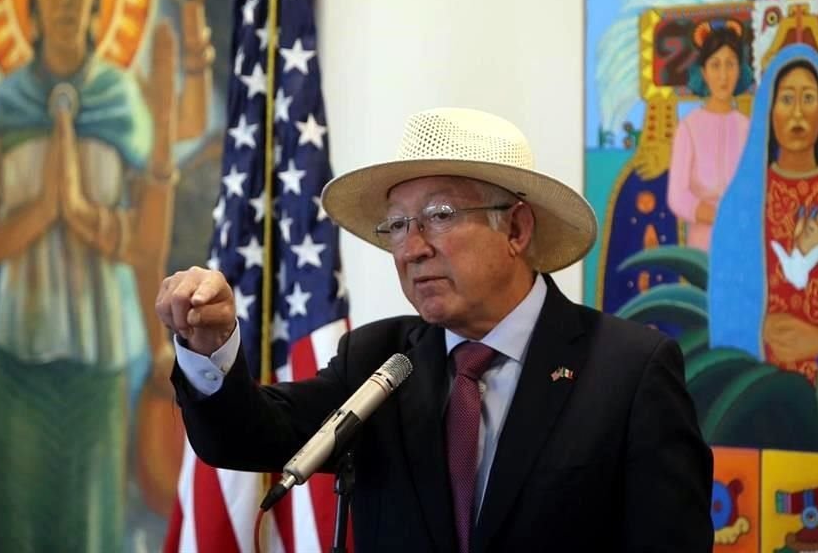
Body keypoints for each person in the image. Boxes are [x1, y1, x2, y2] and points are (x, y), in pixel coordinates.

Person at [158, 108, 714, 552]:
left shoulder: (628, 370)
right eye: (398, 225)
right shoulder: (378, 359)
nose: (412, 249)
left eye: (441, 215)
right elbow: (247, 436)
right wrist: (210, 350)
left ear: (517, 227)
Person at [0, 0, 211, 548]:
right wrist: (47, 206)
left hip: (101, 361)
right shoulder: (4, 103)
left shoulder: (123, 101)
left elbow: (148, 247)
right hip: (18, 358)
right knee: (15, 531)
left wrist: (83, 214)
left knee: (93, 533)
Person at [709, 45, 818, 383]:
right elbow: (725, 299)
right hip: (759, 390)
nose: (798, 114)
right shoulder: (741, 205)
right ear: (769, 112)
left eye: (808, 99)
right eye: (787, 99)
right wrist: (759, 327)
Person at [667, 21, 752, 251]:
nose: (723, 75)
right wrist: (718, 216)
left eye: (730, 64)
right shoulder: (688, 128)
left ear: (740, 69)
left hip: (743, 241)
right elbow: (677, 195)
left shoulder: (750, 129)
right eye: (715, 65)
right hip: (703, 245)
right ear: (703, 72)